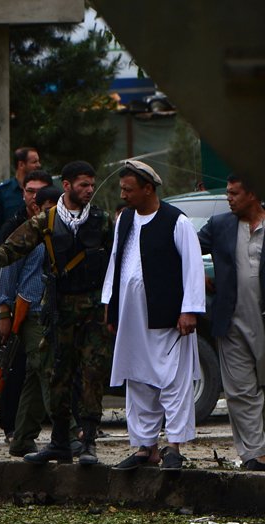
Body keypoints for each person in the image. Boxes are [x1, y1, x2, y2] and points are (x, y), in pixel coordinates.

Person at [0, 160, 114, 466]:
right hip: (59, 309)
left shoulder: (101, 221)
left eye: (92, 184)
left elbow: (117, 260)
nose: (90, 190)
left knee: (91, 375)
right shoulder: (47, 220)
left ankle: (87, 443)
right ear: (67, 186)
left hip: (93, 312)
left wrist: (112, 306)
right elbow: (15, 246)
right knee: (57, 375)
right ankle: (60, 443)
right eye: (83, 185)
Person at [103, 160, 205, 470]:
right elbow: (115, 263)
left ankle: (173, 446)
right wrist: (109, 303)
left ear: (148, 189)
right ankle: (145, 448)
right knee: (138, 380)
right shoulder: (125, 221)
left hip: (167, 319)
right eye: (122, 189)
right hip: (132, 320)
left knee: (173, 381)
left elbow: (193, 268)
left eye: (129, 189)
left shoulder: (177, 221)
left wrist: (189, 310)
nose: (124, 195)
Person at [197, 175, 265, 471]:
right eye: (227, 193)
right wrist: (197, 275)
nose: (229, 198)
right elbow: (186, 248)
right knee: (240, 390)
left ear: (252, 195)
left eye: (234, 193)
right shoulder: (221, 225)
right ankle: (254, 454)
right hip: (232, 320)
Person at [0, 185, 61, 457]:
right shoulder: (26, 235)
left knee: (36, 376)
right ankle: (66, 435)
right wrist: (4, 312)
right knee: (47, 371)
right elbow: (8, 274)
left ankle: (22, 437)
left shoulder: (64, 234)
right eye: (44, 207)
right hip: (31, 311)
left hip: (56, 311)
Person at [0, 147, 41, 287]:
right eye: (34, 162)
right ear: (21, 164)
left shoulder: (46, 190)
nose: (38, 165)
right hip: (10, 257)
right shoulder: (2, 191)